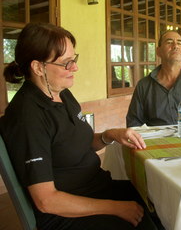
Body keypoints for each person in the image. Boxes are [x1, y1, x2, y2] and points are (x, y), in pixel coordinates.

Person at [0, 23, 159, 230]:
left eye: (73, 59)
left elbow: (75, 145)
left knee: (159, 198)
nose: (75, 68)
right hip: (68, 214)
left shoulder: (62, 93)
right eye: (66, 63)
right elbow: (46, 200)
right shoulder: (27, 116)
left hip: (97, 189)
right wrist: (116, 208)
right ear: (38, 67)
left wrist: (108, 135)